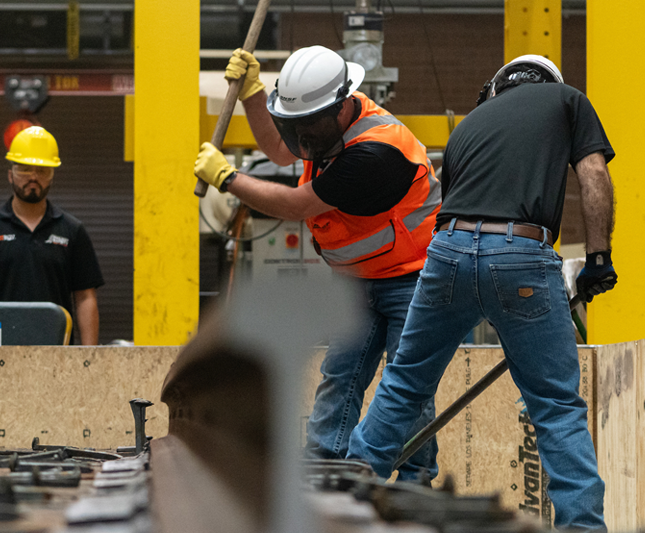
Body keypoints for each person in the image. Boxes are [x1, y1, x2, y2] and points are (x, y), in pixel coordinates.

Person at [346, 55, 615, 531]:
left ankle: (341, 500)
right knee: (556, 406)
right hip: (521, 253)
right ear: (550, 83)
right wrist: (597, 259)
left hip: (446, 250)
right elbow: (593, 174)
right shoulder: (567, 100)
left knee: (405, 383)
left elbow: (450, 204)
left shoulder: (468, 126)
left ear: (497, 89)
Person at [194, 46, 441, 479]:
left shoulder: (376, 151)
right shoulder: (321, 124)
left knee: (407, 384)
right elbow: (280, 150)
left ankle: (415, 478)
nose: (303, 137)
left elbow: (295, 205)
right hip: (357, 279)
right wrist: (254, 92)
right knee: (340, 373)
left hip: (412, 277)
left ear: (343, 104)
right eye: (296, 126)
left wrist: (229, 179)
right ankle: (325, 467)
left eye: (308, 126)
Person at [0, 126, 103, 346]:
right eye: (24, 169)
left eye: (42, 170)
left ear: (52, 176)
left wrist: (90, 359)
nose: (33, 177)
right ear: (10, 174)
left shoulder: (71, 231)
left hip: (55, 352)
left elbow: (85, 298)